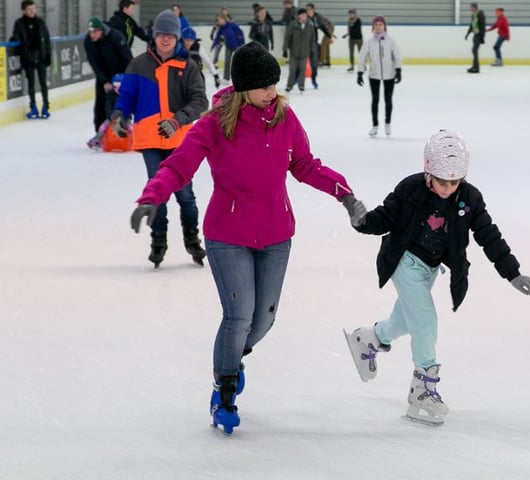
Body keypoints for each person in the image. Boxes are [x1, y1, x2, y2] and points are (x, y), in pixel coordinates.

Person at [129, 42, 360, 435]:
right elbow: (179, 164)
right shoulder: (215, 123)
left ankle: (231, 361)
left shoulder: (285, 118)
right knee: (238, 318)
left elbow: (305, 164)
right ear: (242, 88)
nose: (272, 91)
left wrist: (346, 195)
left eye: (274, 83)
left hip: (275, 234)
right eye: (263, 85)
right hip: (228, 234)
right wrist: (152, 197)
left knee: (263, 320)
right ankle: (225, 391)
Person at [343, 130, 530, 425]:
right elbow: (384, 217)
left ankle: (370, 339)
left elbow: (489, 235)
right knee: (425, 321)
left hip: (432, 268)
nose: (448, 188)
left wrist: (512, 273)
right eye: (442, 181)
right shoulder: (411, 188)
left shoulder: (470, 198)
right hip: (404, 261)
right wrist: (362, 221)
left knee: (405, 321)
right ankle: (422, 389)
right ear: (428, 171)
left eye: (454, 181)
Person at [111, 10, 209, 268]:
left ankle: (192, 239)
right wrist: (119, 115)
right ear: (154, 36)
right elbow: (126, 98)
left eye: (171, 35)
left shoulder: (188, 66)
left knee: (185, 195)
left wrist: (178, 119)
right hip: (150, 140)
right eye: (161, 35)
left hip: (180, 141)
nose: (166, 40)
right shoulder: (139, 64)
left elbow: (200, 101)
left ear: (177, 37)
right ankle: (159, 241)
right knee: (157, 192)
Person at [84, 17, 133, 150]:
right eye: (90, 32)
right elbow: (94, 64)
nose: (92, 35)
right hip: (104, 76)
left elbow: (128, 58)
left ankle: (130, 134)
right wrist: (104, 81)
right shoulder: (88, 41)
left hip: (121, 73)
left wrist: (127, 79)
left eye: (94, 32)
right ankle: (100, 136)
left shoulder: (115, 37)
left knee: (125, 104)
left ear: (101, 31)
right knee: (101, 104)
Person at [357, 16, 402, 137]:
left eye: (380, 24)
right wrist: (360, 72)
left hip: (389, 75)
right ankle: (375, 125)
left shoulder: (391, 41)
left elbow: (397, 56)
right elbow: (362, 57)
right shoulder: (369, 42)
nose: (378, 27)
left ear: (384, 26)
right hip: (374, 75)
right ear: (373, 27)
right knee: (375, 100)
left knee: (388, 99)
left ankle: (387, 123)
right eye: (376, 24)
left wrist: (398, 70)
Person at [10, 0, 51, 119]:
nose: (32, 11)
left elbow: (46, 38)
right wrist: (14, 40)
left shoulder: (40, 22)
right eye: (29, 9)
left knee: (43, 82)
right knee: (31, 83)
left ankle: (45, 107)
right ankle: (33, 107)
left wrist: (48, 55)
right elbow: (16, 37)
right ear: (23, 10)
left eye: (34, 9)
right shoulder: (19, 23)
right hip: (28, 58)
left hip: (41, 57)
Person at [283, 8, 315, 93]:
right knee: (292, 70)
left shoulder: (310, 25)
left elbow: (312, 39)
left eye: (305, 15)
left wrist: (312, 50)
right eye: (302, 15)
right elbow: (287, 37)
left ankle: (301, 85)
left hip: (305, 52)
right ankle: (289, 85)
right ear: (299, 16)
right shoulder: (293, 25)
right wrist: (285, 49)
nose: (304, 16)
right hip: (294, 52)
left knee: (302, 70)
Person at [211, 14, 246, 83]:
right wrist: (213, 46)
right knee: (227, 62)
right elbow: (217, 38)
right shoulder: (221, 28)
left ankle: (242, 77)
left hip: (237, 46)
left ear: (223, 19)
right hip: (228, 46)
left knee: (239, 61)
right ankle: (226, 78)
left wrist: (242, 43)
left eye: (219, 20)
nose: (218, 21)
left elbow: (241, 32)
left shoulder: (232, 25)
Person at [306, 3, 335, 70]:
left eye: (309, 9)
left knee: (323, 44)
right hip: (326, 27)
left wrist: (330, 36)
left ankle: (322, 61)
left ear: (313, 9)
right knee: (326, 45)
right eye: (306, 9)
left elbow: (323, 27)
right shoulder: (308, 17)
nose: (307, 11)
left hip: (329, 27)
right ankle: (327, 62)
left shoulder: (317, 17)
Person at [464, 3, 486, 73]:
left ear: (474, 7)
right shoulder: (473, 15)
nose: (470, 8)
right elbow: (472, 25)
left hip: (479, 35)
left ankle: (476, 68)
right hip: (475, 34)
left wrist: (482, 36)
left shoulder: (480, 14)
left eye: (471, 7)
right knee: (474, 50)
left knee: (474, 50)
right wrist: (467, 33)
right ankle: (475, 67)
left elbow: (483, 25)